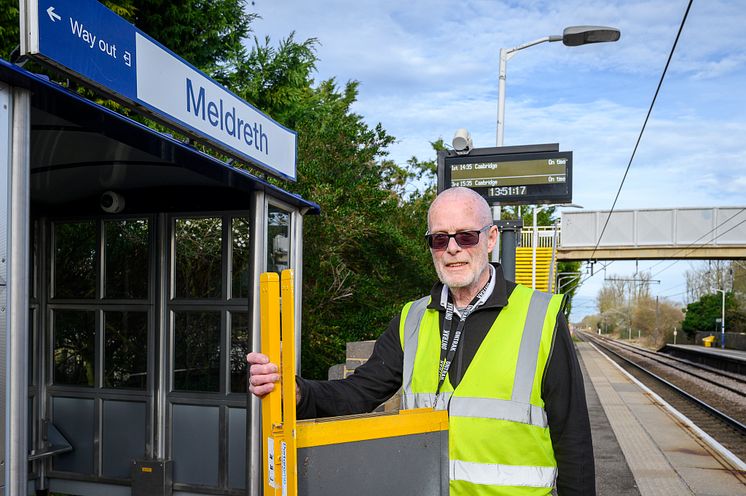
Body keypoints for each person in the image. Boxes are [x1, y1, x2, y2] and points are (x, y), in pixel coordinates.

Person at [248, 186, 595, 495]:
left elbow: (574, 440)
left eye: (467, 237)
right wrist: (298, 392)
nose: (453, 249)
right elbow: (356, 395)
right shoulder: (412, 319)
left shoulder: (541, 317)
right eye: (440, 239)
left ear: (490, 239)